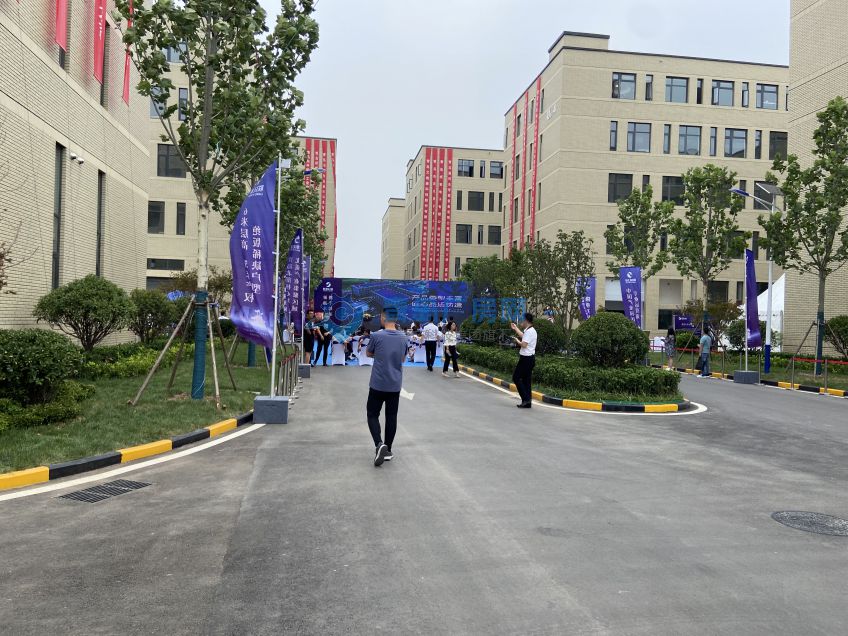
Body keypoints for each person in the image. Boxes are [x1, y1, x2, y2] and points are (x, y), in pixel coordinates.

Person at [366, 307, 408, 466]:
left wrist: (380, 354)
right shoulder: (403, 337)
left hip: (378, 383)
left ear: (383, 318)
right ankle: (388, 450)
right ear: (395, 319)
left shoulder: (376, 336)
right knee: (391, 416)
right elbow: (403, 359)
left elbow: (368, 353)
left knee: (372, 414)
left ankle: (379, 444)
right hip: (395, 384)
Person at [510, 313, 538, 408]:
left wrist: (517, 341)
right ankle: (528, 402)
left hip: (526, 359)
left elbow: (524, 345)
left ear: (526, 321)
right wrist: (515, 328)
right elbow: (523, 336)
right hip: (529, 358)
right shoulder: (530, 330)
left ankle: (525, 399)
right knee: (526, 380)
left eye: (523, 320)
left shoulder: (530, 332)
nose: (522, 321)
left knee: (516, 377)